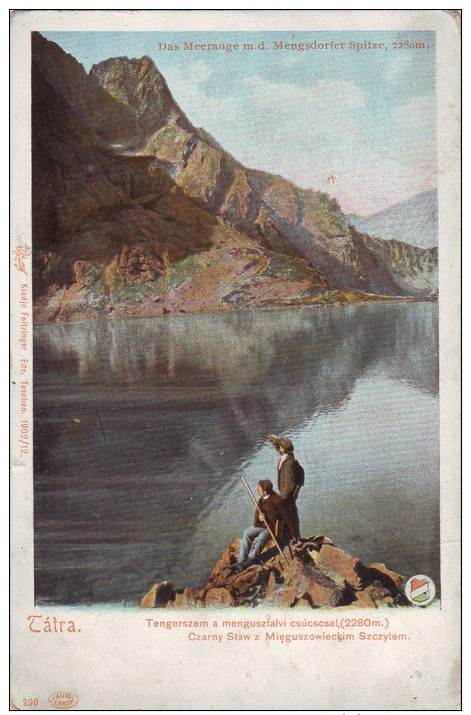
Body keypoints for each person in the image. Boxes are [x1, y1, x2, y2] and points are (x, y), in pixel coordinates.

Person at [235, 479, 285, 570]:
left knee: (262, 536)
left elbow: (282, 517)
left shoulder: (277, 500)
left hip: (273, 528)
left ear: (265, 491)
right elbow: (257, 514)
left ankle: (251, 559)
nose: (257, 490)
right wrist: (260, 517)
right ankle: (241, 561)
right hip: (263, 525)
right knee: (247, 533)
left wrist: (269, 517)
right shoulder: (261, 500)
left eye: (259, 489)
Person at [268, 435, 301, 541]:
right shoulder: (288, 456)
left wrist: (283, 497)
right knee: (290, 516)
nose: (278, 449)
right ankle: (294, 537)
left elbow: (290, 481)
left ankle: (295, 538)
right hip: (286, 494)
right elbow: (280, 451)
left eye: (279, 446)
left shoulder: (288, 463)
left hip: (287, 495)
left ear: (283, 448)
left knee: (290, 517)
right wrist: (275, 443)